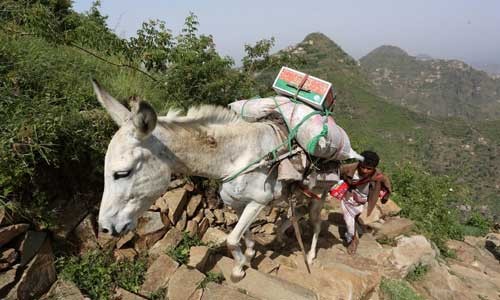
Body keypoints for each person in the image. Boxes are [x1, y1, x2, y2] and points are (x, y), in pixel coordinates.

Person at [339, 150, 391, 254]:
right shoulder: (348, 169)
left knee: (355, 216)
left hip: (363, 199)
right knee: (348, 217)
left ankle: (352, 230)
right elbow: (338, 173)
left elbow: (388, 185)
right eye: (363, 167)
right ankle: (353, 240)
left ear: (374, 168)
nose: (365, 170)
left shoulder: (379, 176)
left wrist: (385, 197)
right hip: (349, 196)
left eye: (369, 169)